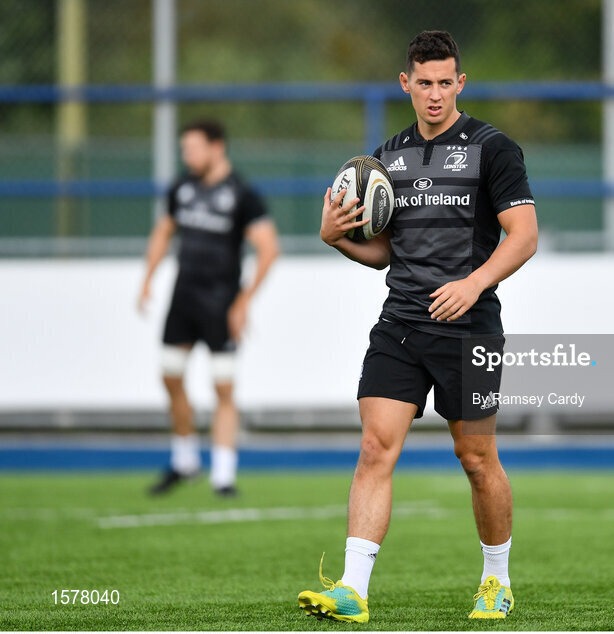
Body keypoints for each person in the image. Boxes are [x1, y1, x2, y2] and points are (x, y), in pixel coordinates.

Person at [297, 31, 538, 623]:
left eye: (444, 83)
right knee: (376, 447)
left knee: (476, 457)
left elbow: (525, 236)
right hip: (401, 323)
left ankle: (496, 580)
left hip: (471, 326)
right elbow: (383, 253)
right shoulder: (386, 160)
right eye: (423, 83)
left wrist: (474, 283)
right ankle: (353, 590)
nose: (434, 95)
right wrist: (336, 239)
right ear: (406, 84)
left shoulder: (493, 149)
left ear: (461, 83)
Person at [137, 118, 280, 497]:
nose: (187, 155)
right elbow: (164, 231)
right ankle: (185, 460)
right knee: (170, 376)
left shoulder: (241, 194)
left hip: (221, 305)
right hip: (183, 300)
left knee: (223, 388)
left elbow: (269, 249)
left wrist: (243, 301)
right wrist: (147, 279)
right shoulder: (182, 188)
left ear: (217, 148)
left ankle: (223, 475)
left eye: (192, 148)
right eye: (184, 149)